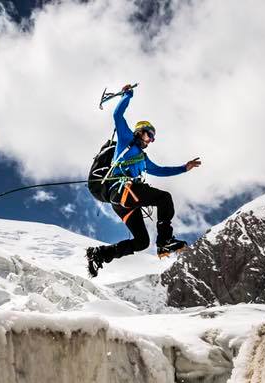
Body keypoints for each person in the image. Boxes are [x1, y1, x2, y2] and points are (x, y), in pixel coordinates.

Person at [86, 84, 202, 277]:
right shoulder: (126, 141)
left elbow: (161, 171)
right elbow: (117, 116)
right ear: (140, 131)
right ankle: (165, 241)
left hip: (123, 201)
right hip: (122, 191)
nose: (150, 140)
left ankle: (99, 254)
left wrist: (184, 168)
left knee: (142, 242)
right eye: (150, 134)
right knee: (164, 198)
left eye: (153, 138)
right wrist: (127, 96)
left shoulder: (143, 159)